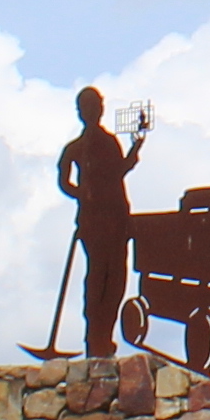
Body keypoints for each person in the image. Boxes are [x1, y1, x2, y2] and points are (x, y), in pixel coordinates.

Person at [58, 86, 139, 356]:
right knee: (98, 278)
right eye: (89, 107)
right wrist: (82, 193)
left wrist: (134, 150)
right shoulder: (76, 148)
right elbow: (64, 181)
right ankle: (94, 336)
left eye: (96, 106)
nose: (94, 111)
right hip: (94, 222)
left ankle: (104, 335)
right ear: (82, 112)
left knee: (115, 279)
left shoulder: (109, 143)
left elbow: (118, 172)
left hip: (116, 219)